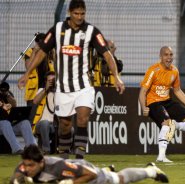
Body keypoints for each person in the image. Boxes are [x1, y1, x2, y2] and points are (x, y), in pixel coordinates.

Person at [18, 0, 125, 159]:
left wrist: (116, 77)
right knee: (65, 126)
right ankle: (64, 158)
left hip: (84, 86)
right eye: (76, 13)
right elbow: (41, 52)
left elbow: (107, 55)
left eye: (82, 13)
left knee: (82, 118)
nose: (79, 17)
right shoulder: (57, 29)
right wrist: (27, 73)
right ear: (69, 12)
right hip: (63, 88)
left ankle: (80, 159)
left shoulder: (91, 31)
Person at [139, 46, 185, 163]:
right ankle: (161, 157)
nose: (169, 57)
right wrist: (143, 106)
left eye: (171, 55)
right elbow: (143, 92)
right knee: (166, 123)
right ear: (161, 57)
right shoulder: (153, 70)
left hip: (167, 101)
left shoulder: (174, 71)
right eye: (166, 55)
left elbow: (177, 91)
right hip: (153, 102)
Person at [10, 145, 169, 184]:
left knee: (118, 179)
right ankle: (106, 169)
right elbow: (16, 175)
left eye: (31, 165)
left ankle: (150, 171)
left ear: (41, 162)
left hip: (86, 173)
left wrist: (71, 182)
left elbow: (90, 175)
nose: (27, 169)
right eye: (26, 165)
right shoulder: (25, 166)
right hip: (73, 171)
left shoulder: (59, 167)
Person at [0, 82, 37, 154]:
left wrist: (7, 94)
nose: (3, 91)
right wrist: (2, 105)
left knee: (25, 122)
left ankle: (31, 148)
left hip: (8, 127)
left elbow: (14, 104)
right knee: (5, 123)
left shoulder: (7, 95)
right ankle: (16, 149)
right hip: (3, 125)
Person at [23, 33, 54, 106]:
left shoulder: (49, 51)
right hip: (34, 89)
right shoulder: (30, 52)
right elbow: (28, 67)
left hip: (47, 86)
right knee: (33, 113)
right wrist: (34, 51)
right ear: (37, 42)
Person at [32, 71, 56, 154]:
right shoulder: (41, 90)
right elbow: (35, 101)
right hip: (41, 124)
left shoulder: (60, 92)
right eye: (50, 81)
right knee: (45, 123)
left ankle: (67, 150)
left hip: (55, 124)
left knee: (70, 129)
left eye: (54, 80)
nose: (52, 83)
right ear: (45, 82)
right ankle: (46, 150)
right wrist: (46, 89)